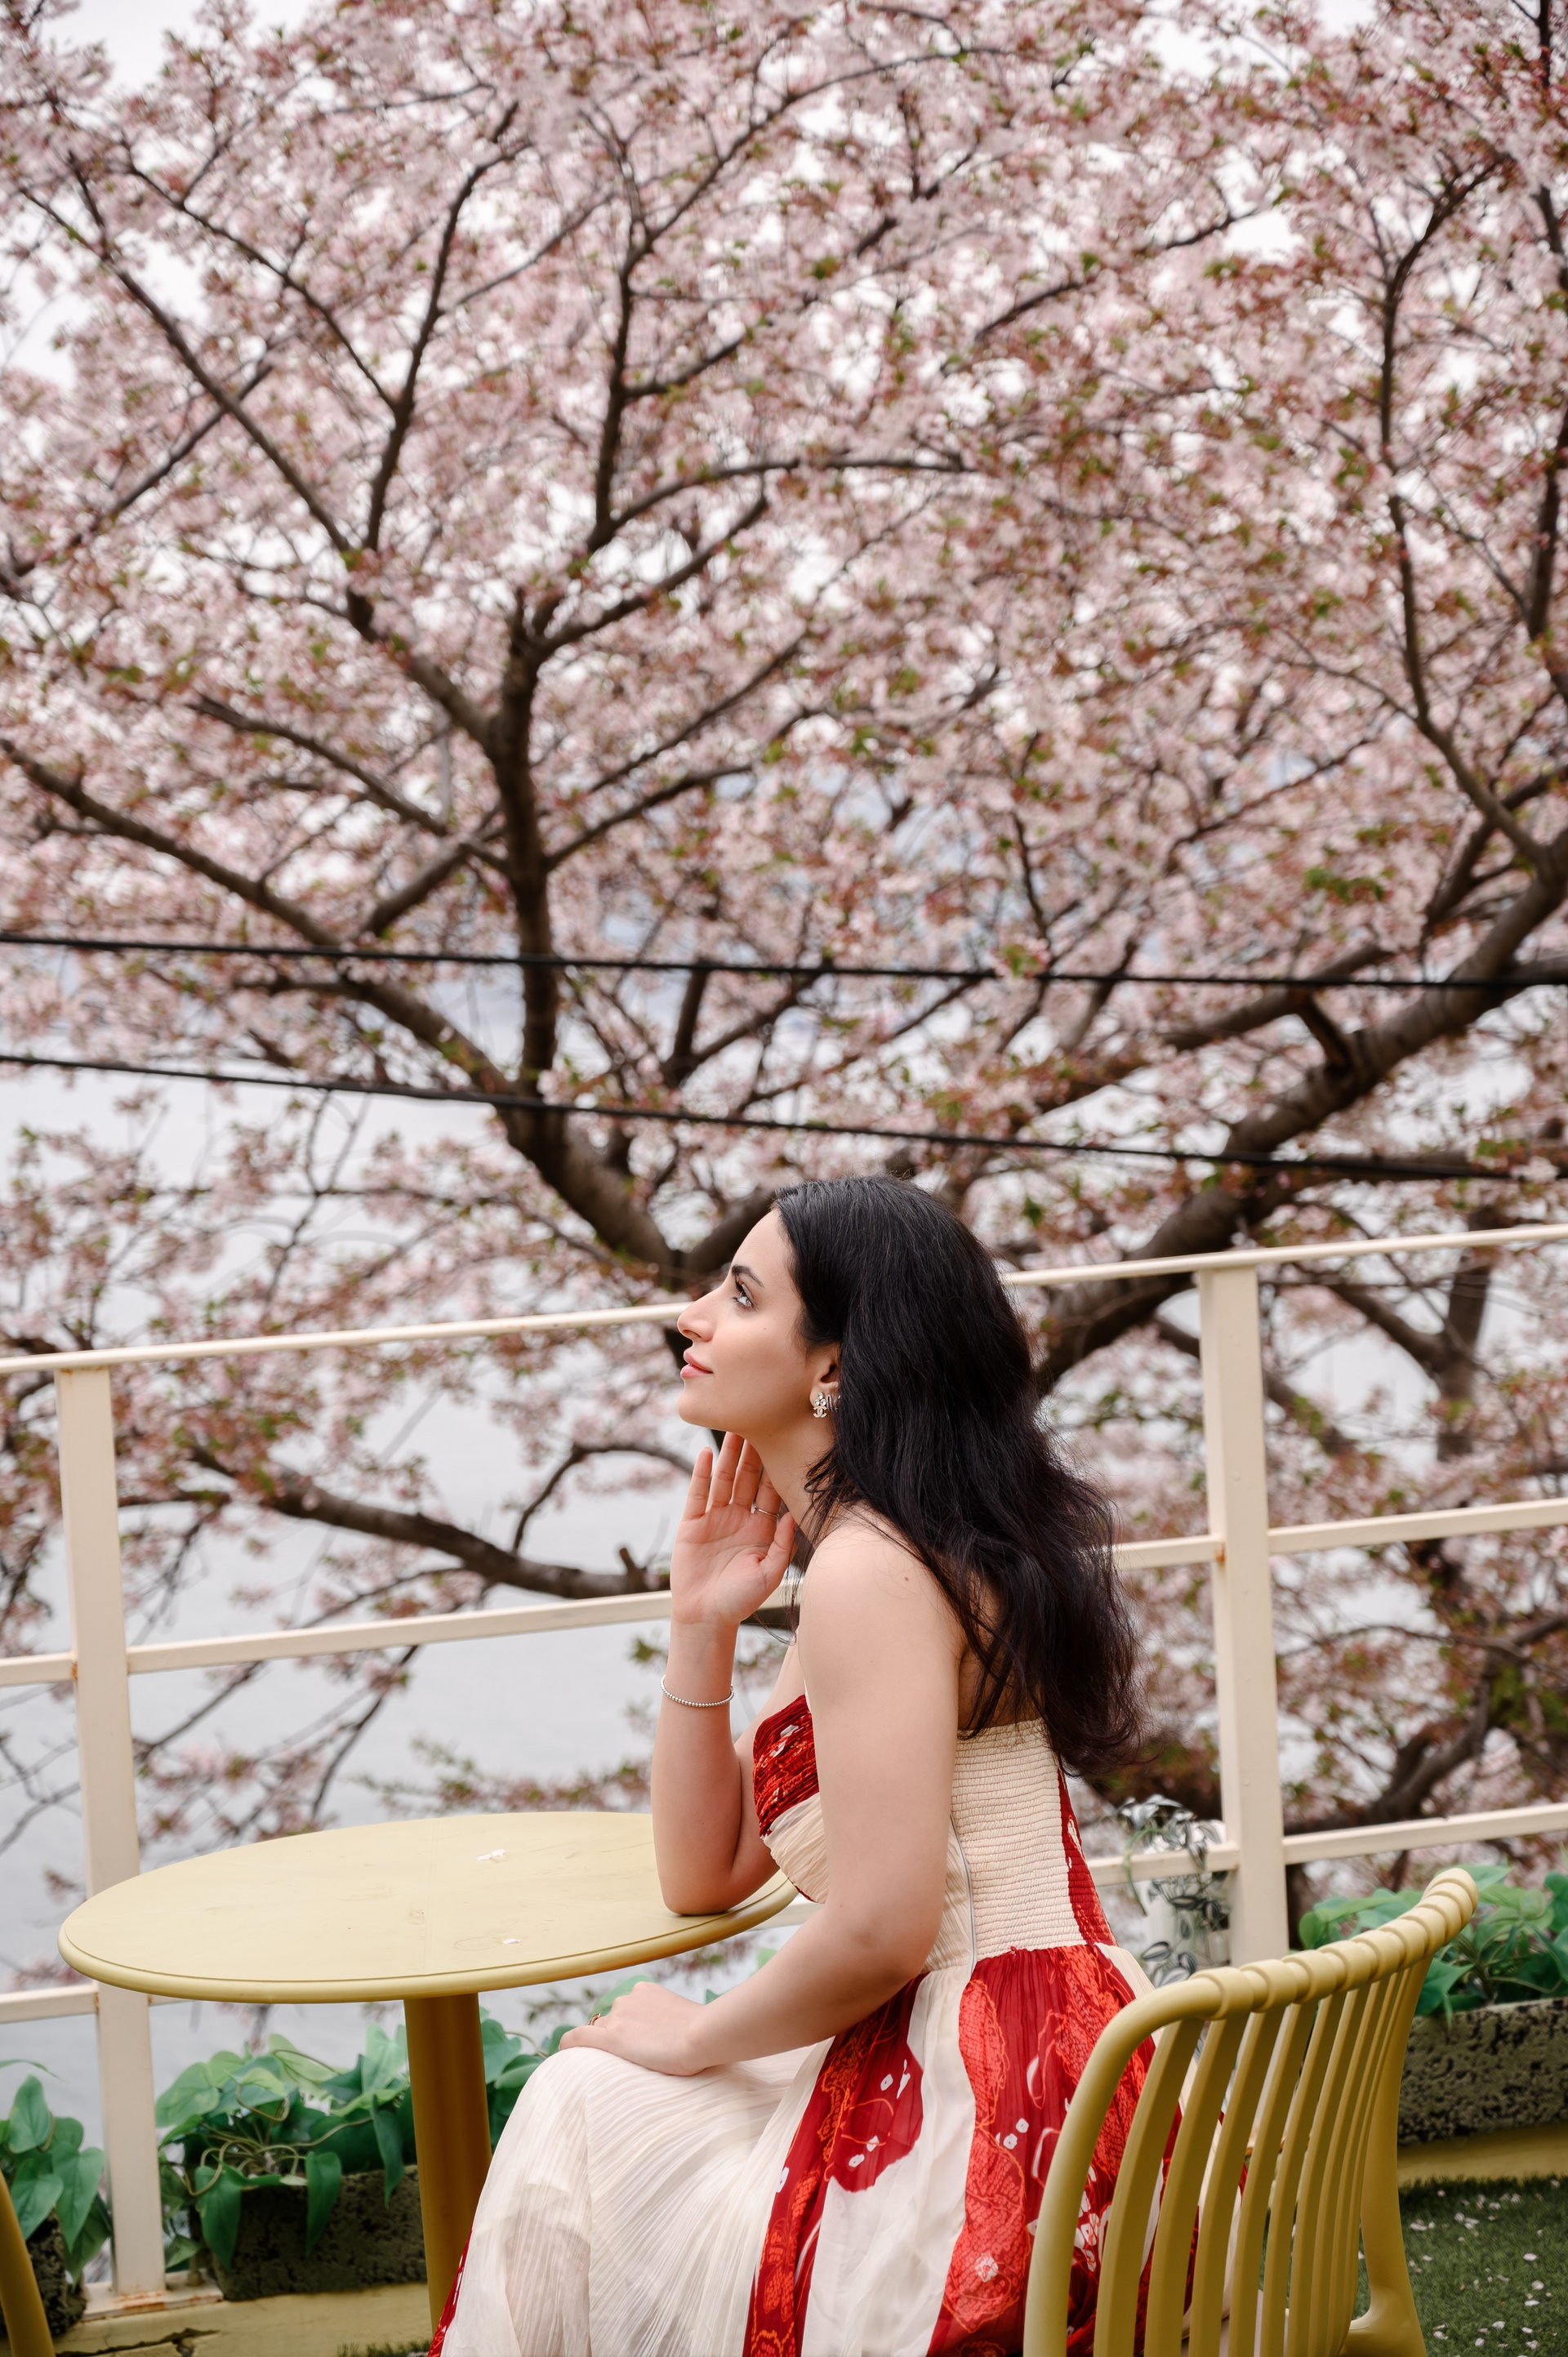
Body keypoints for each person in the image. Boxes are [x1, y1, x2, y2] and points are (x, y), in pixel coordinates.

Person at [433, 1175, 1153, 2357]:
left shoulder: (873, 1570)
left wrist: (696, 2035)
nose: (690, 1315)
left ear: (835, 1365)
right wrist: (702, 1623)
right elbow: (706, 1870)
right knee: (595, 2103)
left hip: (986, 2100)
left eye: (739, 1294)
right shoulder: (898, 1546)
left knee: (582, 2100)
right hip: (1050, 2053)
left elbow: (882, 1929)